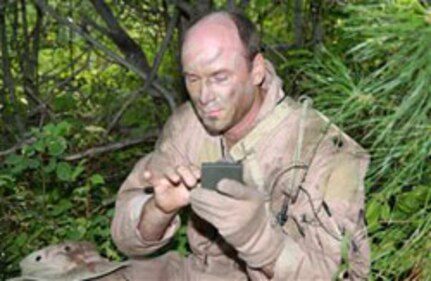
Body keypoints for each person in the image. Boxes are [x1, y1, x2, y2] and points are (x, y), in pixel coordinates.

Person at [111, 11, 370, 281]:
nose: (204, 96)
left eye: (219, 77)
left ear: (256, 70)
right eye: (192, 79)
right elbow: (126, 240)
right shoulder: (188, 127)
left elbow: (347, 274)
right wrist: (159, 209)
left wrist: (258, 239)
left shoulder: (325, 150)